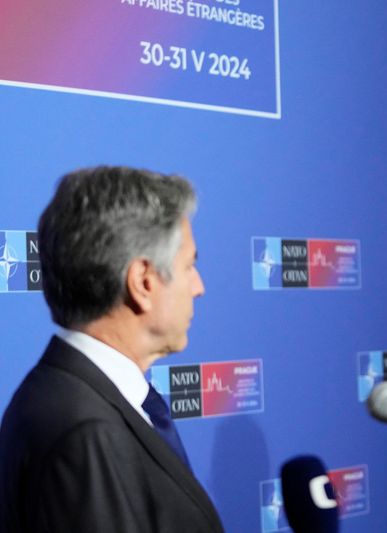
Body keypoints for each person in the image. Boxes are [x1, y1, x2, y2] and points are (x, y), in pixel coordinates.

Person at [0, 166, 224, 532]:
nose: (198, 287)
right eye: (189, 266)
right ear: (143, 282)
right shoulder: (83, 432)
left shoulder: (73, 399)